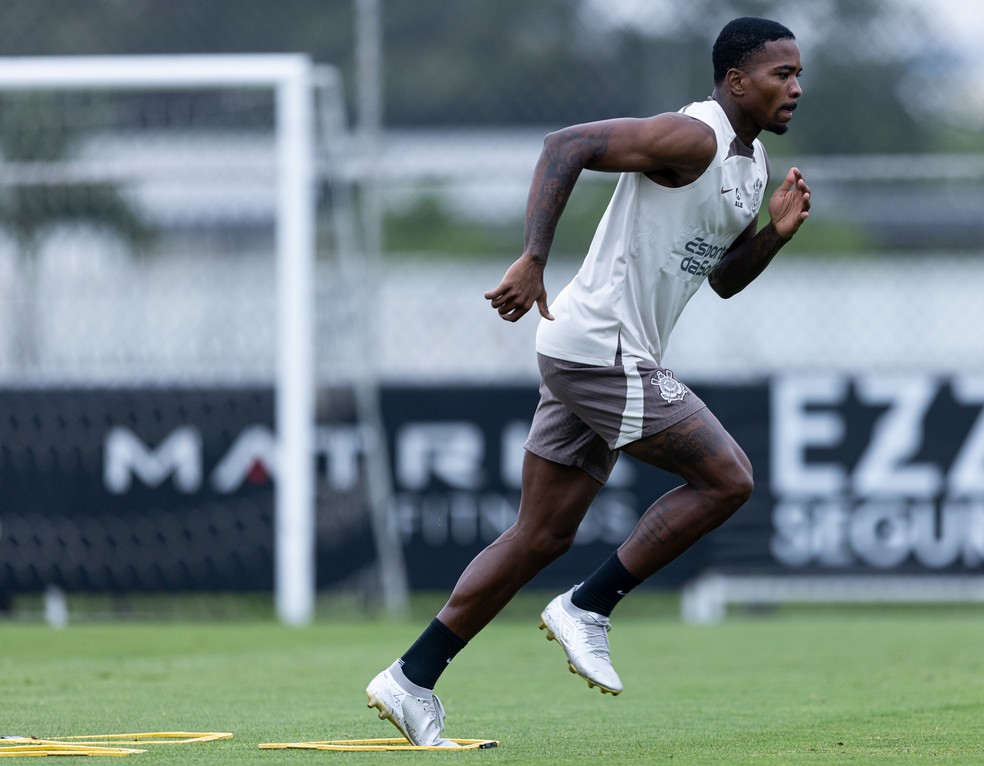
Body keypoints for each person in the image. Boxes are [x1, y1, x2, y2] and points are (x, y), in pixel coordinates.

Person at [366, 16, 810, 747]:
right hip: (601, 350)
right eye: (780, 75)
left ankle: (410, 678)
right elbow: (564, 145)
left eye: (798, 76)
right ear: (737, 81)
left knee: (540, 534)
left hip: (593, 352)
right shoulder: (691, 137)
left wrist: (774, 235)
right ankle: (589, 606)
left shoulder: (751, 167)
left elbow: (723, 279)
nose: (795, 88)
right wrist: (534, 257)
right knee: (728, 479)